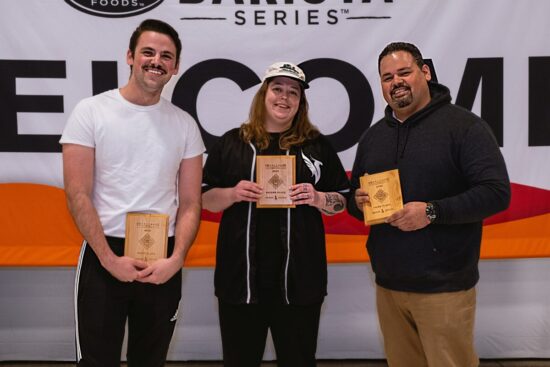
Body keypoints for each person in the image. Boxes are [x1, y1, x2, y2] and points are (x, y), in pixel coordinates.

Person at [347, 42, 511, 367]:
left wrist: (432, 212)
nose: (396, 82)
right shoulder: (373, 137)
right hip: (389, 285)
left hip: (444, 287)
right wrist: (357, 201)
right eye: (387, 77)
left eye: (404, 72)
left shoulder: (465, 127)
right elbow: (356, 199)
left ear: (425, 72)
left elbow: (496, 192)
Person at [60, 19, 205, 367]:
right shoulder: (91, 112)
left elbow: (190, 203)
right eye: (148, 52)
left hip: (163, 258)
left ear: (175, 67)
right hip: (104, 251)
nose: (157, 61)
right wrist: (109, 259)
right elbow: (77, 193)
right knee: (97, 361)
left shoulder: (184, 124)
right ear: (130, 56)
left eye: (166, 56)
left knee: (150, 360)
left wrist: (177, 258)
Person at [202, 62, 350, 367]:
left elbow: (343, 201)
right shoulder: (232, 142)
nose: (284, 97)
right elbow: (205, 199)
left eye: (293, 92)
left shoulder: (316, 146)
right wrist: (232, 193)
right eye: (278, 88)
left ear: (301, 102)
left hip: (299, 284)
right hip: (240, 283)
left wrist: (319, 197)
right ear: (263, 94)